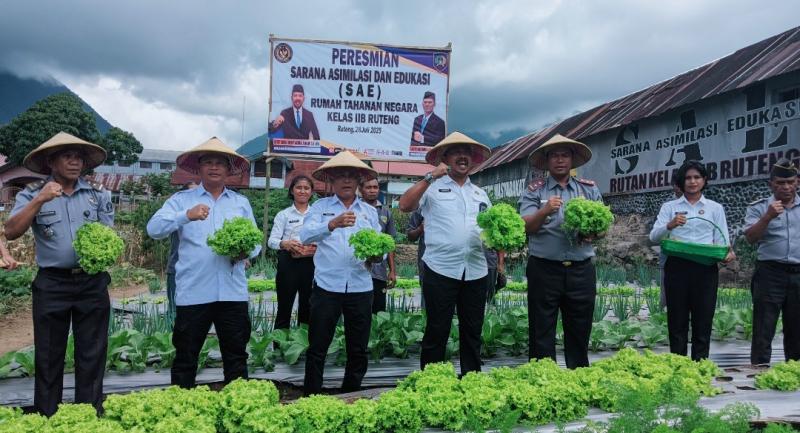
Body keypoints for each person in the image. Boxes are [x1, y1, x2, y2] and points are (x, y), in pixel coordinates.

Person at [4, 132, 113, 416]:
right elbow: (12, 231)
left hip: (92, 283)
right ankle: (47, 415)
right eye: (67, 156)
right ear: (51, 161)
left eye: (79, 157)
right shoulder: (31, 193)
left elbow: (109, 237)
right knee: (49, 354)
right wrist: (40, 199)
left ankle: (87, 414)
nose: (75, 162)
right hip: (52, 284)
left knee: (92, 352)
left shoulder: (97, 195)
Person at [147, 137, 259, 388]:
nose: (214, 167)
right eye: (208, 162)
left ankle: (238, 407)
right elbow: (154, 229)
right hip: (194, 292)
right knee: (186, 356)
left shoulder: (241, 203)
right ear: (198, 169)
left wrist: (245, 252)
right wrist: (186, 215)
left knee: (236, 356)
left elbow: (256, 243)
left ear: (229, 170)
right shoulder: (181, 200)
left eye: (220, 163)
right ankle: (182, 410)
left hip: (232, 293)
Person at [399, 131, 492, 375]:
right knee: (437, 329)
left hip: (475, 270)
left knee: (473, 330)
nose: (462, 157)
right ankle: (432, 379)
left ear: (472, 159)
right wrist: (429, 177)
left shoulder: (480, 194)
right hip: (440, 268)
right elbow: (404, 205)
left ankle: (471, 378)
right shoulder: (432, 188)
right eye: (455, 152)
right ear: (445, 157)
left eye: (467, 153)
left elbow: (491, 231)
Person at [299, 151, 381, 395]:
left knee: (358, 348)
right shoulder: (320, 208)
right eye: (340, 176)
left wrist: (378, 256)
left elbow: (380, 246)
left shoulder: (369, 211)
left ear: (359, 181)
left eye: (351, 176)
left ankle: (351, 393)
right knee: (318, 346)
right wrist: (331, 224)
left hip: (361, 287)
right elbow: (305, 236)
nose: (346, 180)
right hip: (327, 287)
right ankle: (311, 395)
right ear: (331, 181)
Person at [519, 134, 602, 369]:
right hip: (544, 268)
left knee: (580, 326)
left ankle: (578, 376)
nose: (559, 160)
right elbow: (525, 226)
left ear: (572, 160)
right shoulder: (534, 191)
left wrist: (592, 234)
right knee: (541, 327)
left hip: (581, 269)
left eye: (564, 155)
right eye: (554, 155)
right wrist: (544, 211)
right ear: (546, 162)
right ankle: (543, 377)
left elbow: (601, 227)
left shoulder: (588, 190)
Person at [649, 160, 735, 361]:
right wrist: (669, 226)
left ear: (704, 180)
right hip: (677, 267)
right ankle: (678, 366)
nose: (692, 181)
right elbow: (653, 237)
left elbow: (722, 241)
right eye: (688, 178)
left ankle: (700, 366)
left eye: (697, 177)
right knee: (677, 321)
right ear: (681, 181)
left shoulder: (715, 208)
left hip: (705, 269)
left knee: (703, 320)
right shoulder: (670, 207)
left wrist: (727, 253)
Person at [744, 158, 799, 365]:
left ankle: (795, 372)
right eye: (780, 183)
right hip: (770, 273)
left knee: (797, 327)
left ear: (797, 182)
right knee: (764, 326)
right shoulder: (759, 208)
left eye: (790, 182)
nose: (785, 187)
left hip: (798, 272)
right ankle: (759, 370)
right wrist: (767, 217)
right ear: (771, 184)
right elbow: (750, 238)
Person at [268, 175, 317, 329]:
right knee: (284, 307)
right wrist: (285, 243)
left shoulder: (316, 214)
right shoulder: (284, 214)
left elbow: (324, 237)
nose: (302, 191)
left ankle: (302, 347)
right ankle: (280, 349)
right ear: (292, 191)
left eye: (306, 188)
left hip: (311, 264)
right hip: (288, 264)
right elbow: (271, 241)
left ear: (311, 192)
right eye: (299, 187)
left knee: (308, 307)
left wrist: (315, 246)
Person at [359, 176, 397, 313]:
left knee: (378, 310)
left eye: (375, 187)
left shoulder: (386, 211)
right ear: (360, 190)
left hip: (379, 272)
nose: (372, 190)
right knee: (359, 310)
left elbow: (390, 243)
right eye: (368, 187)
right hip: (358, 269)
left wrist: (392, 271)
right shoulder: (355, 210)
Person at [166, 181, 198, 318]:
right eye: (191, 193)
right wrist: (186, 215)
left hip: (202, 274)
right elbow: (156, 229)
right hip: (178, 271)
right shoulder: (177, 214)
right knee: (176, 313)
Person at [658, 179, 683, 308]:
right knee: (666, 292)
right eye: (676, 185)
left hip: (690, 256)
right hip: (668, 256)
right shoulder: (668, 206)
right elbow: (657, 233)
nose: (678, 188)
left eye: (680, 185)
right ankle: (662, 319)